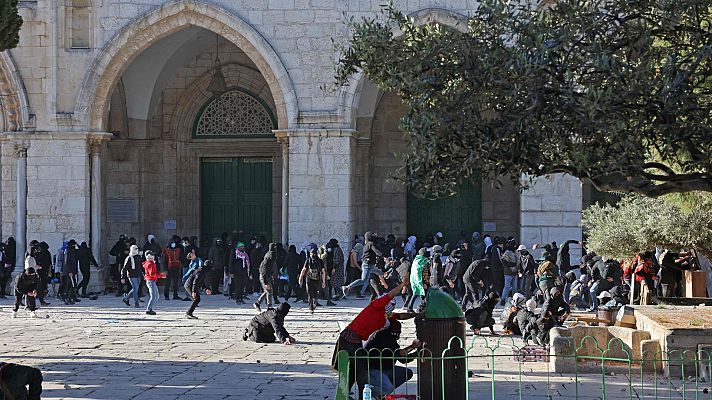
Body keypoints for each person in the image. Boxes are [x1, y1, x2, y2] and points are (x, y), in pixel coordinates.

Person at [332, 278, 410, 399]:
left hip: (355, 341)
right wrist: (403, 285)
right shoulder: (376, 306)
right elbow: (390, 294)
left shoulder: (385, 317)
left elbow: (401, 316)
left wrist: (417, 314)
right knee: (360, 369)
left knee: (355, 368)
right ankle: (356, 395)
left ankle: (348, 394)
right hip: (349, 339)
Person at [365, 319, 420, 398]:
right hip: (372, 370)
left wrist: (415, 353)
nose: (398, 333)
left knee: (407, 373)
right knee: (388, 388)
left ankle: (381, 393)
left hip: (385, 369)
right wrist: (412, 347)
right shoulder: (383, 337)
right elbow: (399, 354)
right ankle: (369, 393)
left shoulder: (391, 340)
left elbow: (402, 359)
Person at [342, 232, 382, 299]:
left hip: (369, 264)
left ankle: (385, 274)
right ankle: (347, 287)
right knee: (363, 280)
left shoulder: (367, 244)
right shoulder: (370, 244)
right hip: (367, 265)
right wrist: (383, 256)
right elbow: (377, 251)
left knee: (378, 272)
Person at [299, 248, 327, 313]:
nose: (313, 255)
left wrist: (323, 281)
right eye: (311, 254)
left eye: (314, 254)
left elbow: (323, 271)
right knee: (309, 293)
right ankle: (311, 308)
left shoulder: (320, 261)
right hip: (309, 279)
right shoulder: (308, 261)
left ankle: (315, 302)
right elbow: (304, 269)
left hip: (317, 279)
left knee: (316, 294)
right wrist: (301, 277)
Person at [184, 254, 211, 319]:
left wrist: (206, 289)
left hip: (190, 285)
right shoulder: (201, 271)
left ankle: (189, 313)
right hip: (189, 285)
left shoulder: (203, 270)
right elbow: (195, 281)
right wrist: (193, 291)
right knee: (197, 299)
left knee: (196, 299)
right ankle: (189, 313)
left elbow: (200, 282)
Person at [255, 243, 278, 312]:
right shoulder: (270, 256)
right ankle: (268, 306)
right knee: (268, 290)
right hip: (264, 275)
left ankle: (259, 303)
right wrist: (265, 281)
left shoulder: (268, 256)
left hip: (266, 275)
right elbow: (264, 270)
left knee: (268, 291)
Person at [405, 248, 429, 312]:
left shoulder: (416, 260)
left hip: (414, 280)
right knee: (422, 294)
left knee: (417, 293)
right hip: (421, 280)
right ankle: (422, 308)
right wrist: (424, 282)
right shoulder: (423, 261)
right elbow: (423, 273)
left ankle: (410, 307)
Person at [143, 250, 164, 315]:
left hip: (152, 281)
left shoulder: (150, 263)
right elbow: (152, 274)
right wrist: (161, 275)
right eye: (152, 255)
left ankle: (150, 308)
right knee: (153, 297)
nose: (153, 256)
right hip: (151, 281)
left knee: (156, 296)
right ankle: (148, 309)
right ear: (149, 256)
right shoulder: (150, 264)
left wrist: (160, 274)